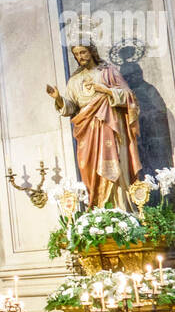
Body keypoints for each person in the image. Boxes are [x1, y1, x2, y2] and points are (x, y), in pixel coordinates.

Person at [46, 38, 142, 210]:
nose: (80, 56)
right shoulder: (74, 81)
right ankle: (98, 208)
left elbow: (129, 96)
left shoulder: (108, 72)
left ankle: (120, 207)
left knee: (114, 164)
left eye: (83, 52)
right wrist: (59, 99)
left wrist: (104, 90)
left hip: (109, 124)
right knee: (87, 167)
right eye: (76, 54)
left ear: (91, 51)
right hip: (87, 130)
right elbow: (70, 108)